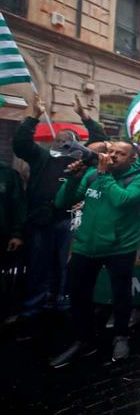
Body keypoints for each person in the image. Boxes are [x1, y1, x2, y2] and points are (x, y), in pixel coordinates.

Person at [49, 141, 140, 367]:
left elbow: (121, 200)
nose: (113, 156)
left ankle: (121, 336)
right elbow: (62, 202)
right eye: (111, 151)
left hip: (120, 247)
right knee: (78, 295)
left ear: (132, 159)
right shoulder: (92, 175)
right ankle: (84, 340)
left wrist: (104, 175)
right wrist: (73, 178)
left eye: (121, 154)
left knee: (120, 295)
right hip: (86, 246)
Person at [12, 94, 94, 321]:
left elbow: (99, 139)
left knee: (65, 264)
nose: (62, 142)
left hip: (68, 220)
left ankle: (63, 302)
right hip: (41, 220)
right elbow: (21, 145)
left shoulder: (81, 160)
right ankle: (33, 306)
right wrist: (34, 116)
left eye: (68, 140)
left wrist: (84, 116)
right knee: (38, 265)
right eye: (59, 139)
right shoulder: (42, 156)